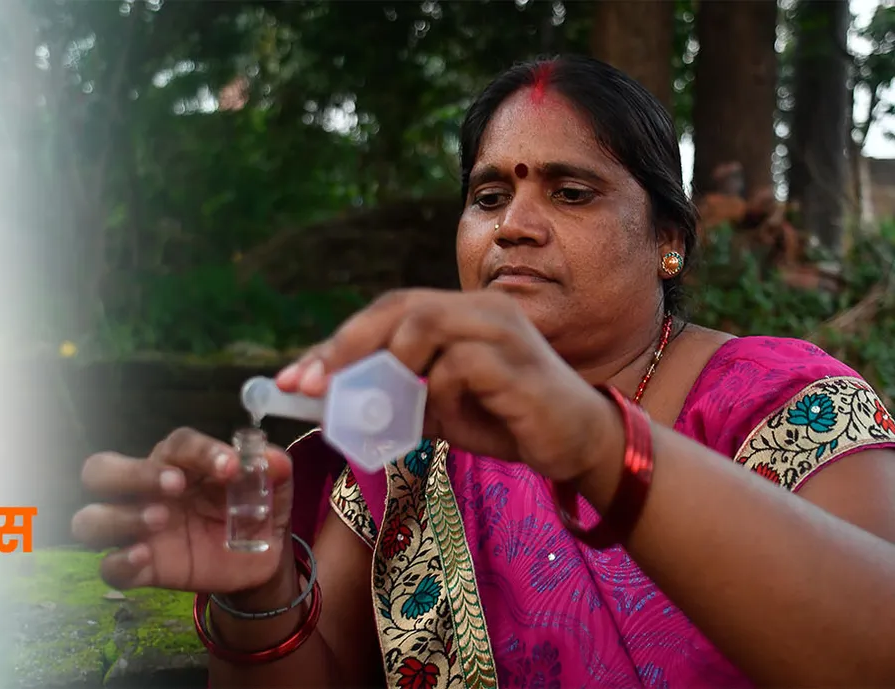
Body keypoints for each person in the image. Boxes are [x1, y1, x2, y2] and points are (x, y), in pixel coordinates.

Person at [70, 55, 895, 688]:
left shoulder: (782, 403)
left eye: (571, 192)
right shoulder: (408, 444)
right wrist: (257, 593)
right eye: (489, 195)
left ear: (667, 240)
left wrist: (599, 446)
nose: (515, 227)